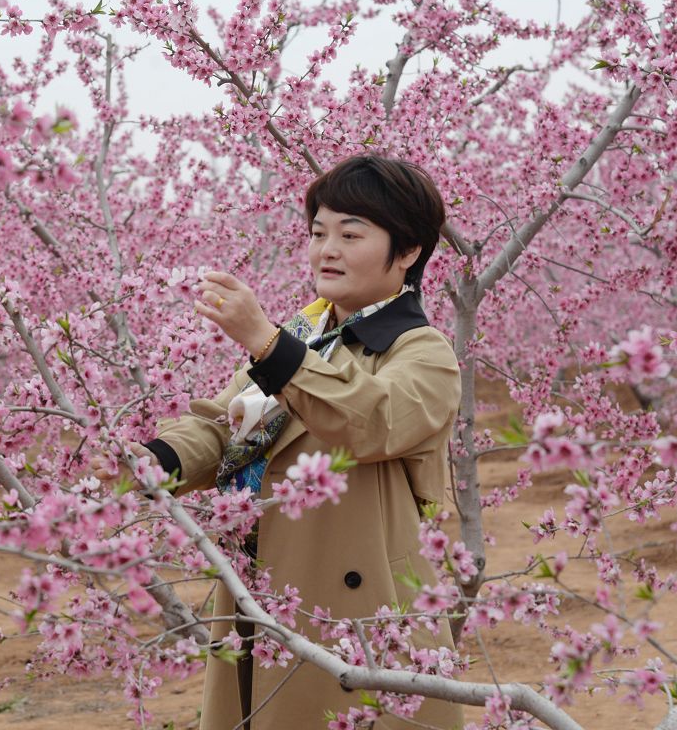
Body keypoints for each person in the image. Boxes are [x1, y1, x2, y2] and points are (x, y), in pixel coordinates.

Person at [137, 155, 463, 729]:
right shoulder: (307, 335)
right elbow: (227, 424)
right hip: (262, 584)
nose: (326, 249)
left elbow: (371, 422)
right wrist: (152, 460)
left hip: (360, 607)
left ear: (409, 251)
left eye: (351, 233)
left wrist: (267, 343)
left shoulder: (422, 350)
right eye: (318, 233)